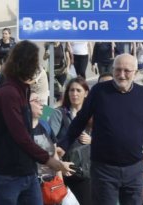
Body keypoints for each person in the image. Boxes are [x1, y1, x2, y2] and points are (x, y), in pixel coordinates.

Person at [63, 53, 143, 205]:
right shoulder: (99, 91)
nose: (121, 75)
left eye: (127, 71)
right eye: (118, 70)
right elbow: (80, 121)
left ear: (135, 73)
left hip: (134, 170)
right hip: (104, 170)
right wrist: (63, 146)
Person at [0, 40, 73, 205]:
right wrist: (52, 162)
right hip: (8, 174)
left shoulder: (21, 89)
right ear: (25, 63)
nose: (37, 66)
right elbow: (21, 136)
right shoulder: (9, 92)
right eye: (35, 61)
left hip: (27, 172)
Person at [49, 77, 92, 205]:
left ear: (86, 93)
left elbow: (107, 140)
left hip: (85, 174)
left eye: (78, 90)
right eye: (71, 90)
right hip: (62, 172)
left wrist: (92, 140)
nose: (74, 94)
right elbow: (49, 142)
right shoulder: (59, 114)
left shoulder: (93, 115)